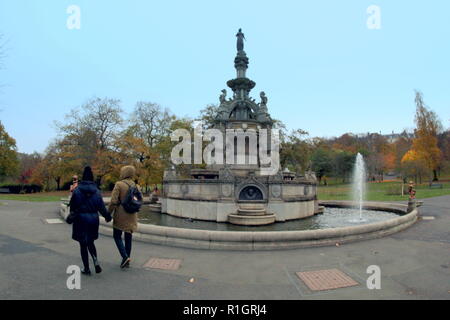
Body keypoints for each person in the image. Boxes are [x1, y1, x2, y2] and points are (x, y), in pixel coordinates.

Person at [66, 166, 112, 275]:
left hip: (80, 219)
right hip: (93, 219)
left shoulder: (77, 191)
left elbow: (73, 207)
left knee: (83, 244)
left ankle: (86, 268)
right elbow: (101, 207)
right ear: (92, 178)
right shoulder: (96, 191)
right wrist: (107, 217)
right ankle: (95, 261)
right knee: (90, 241)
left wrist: (72, 216)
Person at [108, 165, 141, 268]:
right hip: (132, 214)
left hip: (121, 214)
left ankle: (125, 256)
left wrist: (108, 213)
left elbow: (113, 201)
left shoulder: (119, 184)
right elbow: (140, 200)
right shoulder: (137, 186)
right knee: (128, 236)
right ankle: (127, 259)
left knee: (117, 235)